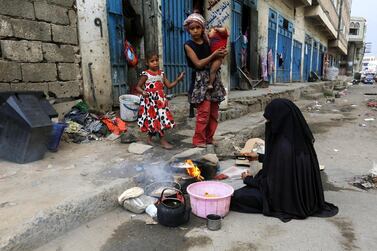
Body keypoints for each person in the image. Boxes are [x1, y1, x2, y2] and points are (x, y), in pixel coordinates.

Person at [230, 98, 338, 222]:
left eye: (270, 120)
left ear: (279, 120)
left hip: (287, 199)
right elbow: (282, 164)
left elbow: (272, 185)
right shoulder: (299, 138)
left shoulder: (283, 146)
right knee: (259, 176)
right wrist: (258, 157)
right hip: (306, 195)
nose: (268, 124)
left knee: (238, 196)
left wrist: (248, 180)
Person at [183, 13, 227, 148]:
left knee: (214, 112)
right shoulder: (188, 45)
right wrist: (214, 55)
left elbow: (223, 36)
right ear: (188, 30)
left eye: (198, 27)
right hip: (200, 80)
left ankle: (209, 138)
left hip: (213, 79)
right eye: (192, 28)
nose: (195, 30)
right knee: (204, 112)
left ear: (202, 28)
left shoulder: (209, 40)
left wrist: (221, 53)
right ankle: (199, 140)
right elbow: (198, 64)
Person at [136, 53, 185, 149]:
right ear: (147, 63)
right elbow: (137, 87)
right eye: (152, 61)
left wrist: (178, 79)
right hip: (150, 102)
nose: (155, 63)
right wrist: (143, 92)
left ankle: (149, 139)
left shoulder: (161, 73)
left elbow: (169, 86)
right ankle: (163, 141)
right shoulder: (146, 74)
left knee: (159, 119)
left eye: (156, 60)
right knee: (156, 119)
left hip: (161, 101)